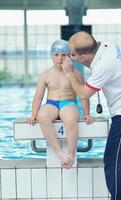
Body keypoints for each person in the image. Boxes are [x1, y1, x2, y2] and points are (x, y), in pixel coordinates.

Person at [62, 31, 121, 198]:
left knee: (112, 163)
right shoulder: (107, 46)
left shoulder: (105, 65)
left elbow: (84, 94)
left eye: (73, 54)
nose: (70, 57)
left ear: (85, 54)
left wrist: (69, 73)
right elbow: (93, 65)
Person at [28, 39, 93, 169]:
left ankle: (71, 154)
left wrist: (86, 114)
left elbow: (84, 95)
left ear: (69, 55)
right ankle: (60, 152)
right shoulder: (45, 74)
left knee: (70, 118)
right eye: (56, 55)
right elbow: (38, 97)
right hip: (51, 103)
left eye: (63, 55)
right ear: (52, 55)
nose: (60, 58)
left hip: (68, 103)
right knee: (43, 116)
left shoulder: (75, 74)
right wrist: (33, 114)